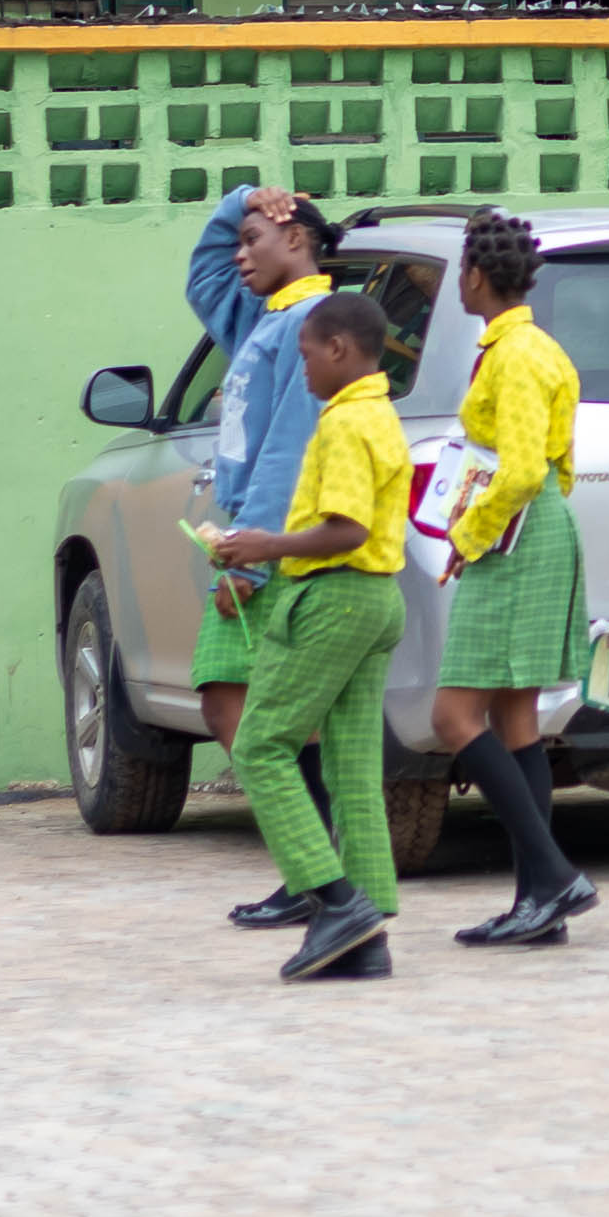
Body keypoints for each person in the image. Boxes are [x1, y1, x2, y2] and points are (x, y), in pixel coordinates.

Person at [207, 285, 418, 981]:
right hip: (375, 600)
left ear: (337, 349)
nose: (301, 373)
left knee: (263, 746)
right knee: (352, 767)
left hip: (334, 598)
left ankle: (333, 900)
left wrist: (262, 547)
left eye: (305, 358)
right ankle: (366, 934)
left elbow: (347, 528)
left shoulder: (345, 424)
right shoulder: (380, 413)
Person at [424, 211, 599, 949]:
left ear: (475, 274)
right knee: (515, 721)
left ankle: (555, 876)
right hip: (528, 532)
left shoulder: (518, 355)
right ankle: (538, 902)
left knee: (453, 719)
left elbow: (523, 468)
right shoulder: (521, 347)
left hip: (517, 539)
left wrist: (470, 531)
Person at [180, 180, 334, 909]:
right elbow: (202, 276)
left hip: (270, 549)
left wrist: (257, 556)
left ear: (296, 239)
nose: (239, 255)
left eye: (256, 239)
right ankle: (313, 871)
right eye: (240, 240)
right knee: (248, 710)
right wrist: (245, 197)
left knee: (251, 715)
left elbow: (289, 449)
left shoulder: (311, 325)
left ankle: (315, 874)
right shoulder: (261, 319)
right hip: (248, 544)